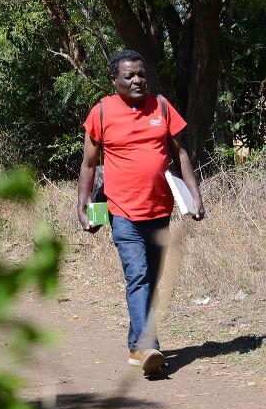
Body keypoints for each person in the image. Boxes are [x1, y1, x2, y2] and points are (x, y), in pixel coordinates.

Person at [76, 50, 205, 377]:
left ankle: (137, 345)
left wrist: (194, 195)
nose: (137, 80)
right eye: (129, 76)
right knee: (137, 275)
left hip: (160, 212)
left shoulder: (161, 107)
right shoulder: (102, 112)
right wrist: (83, 206)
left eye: (141, 74)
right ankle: (148, 345)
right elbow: (89, 164)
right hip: (122, 214)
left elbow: (181, 154)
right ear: (114, 81)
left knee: (152, 279)